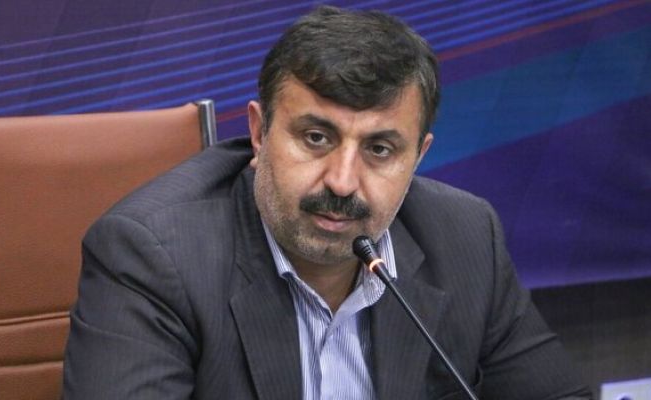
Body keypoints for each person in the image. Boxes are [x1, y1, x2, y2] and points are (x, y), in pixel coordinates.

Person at [63, 6, 592, 399]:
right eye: (316, 138)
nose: (341, 183)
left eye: (379, 150)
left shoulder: (465, 235)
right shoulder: (154, 255)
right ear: (259, 133)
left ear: (418, 156)